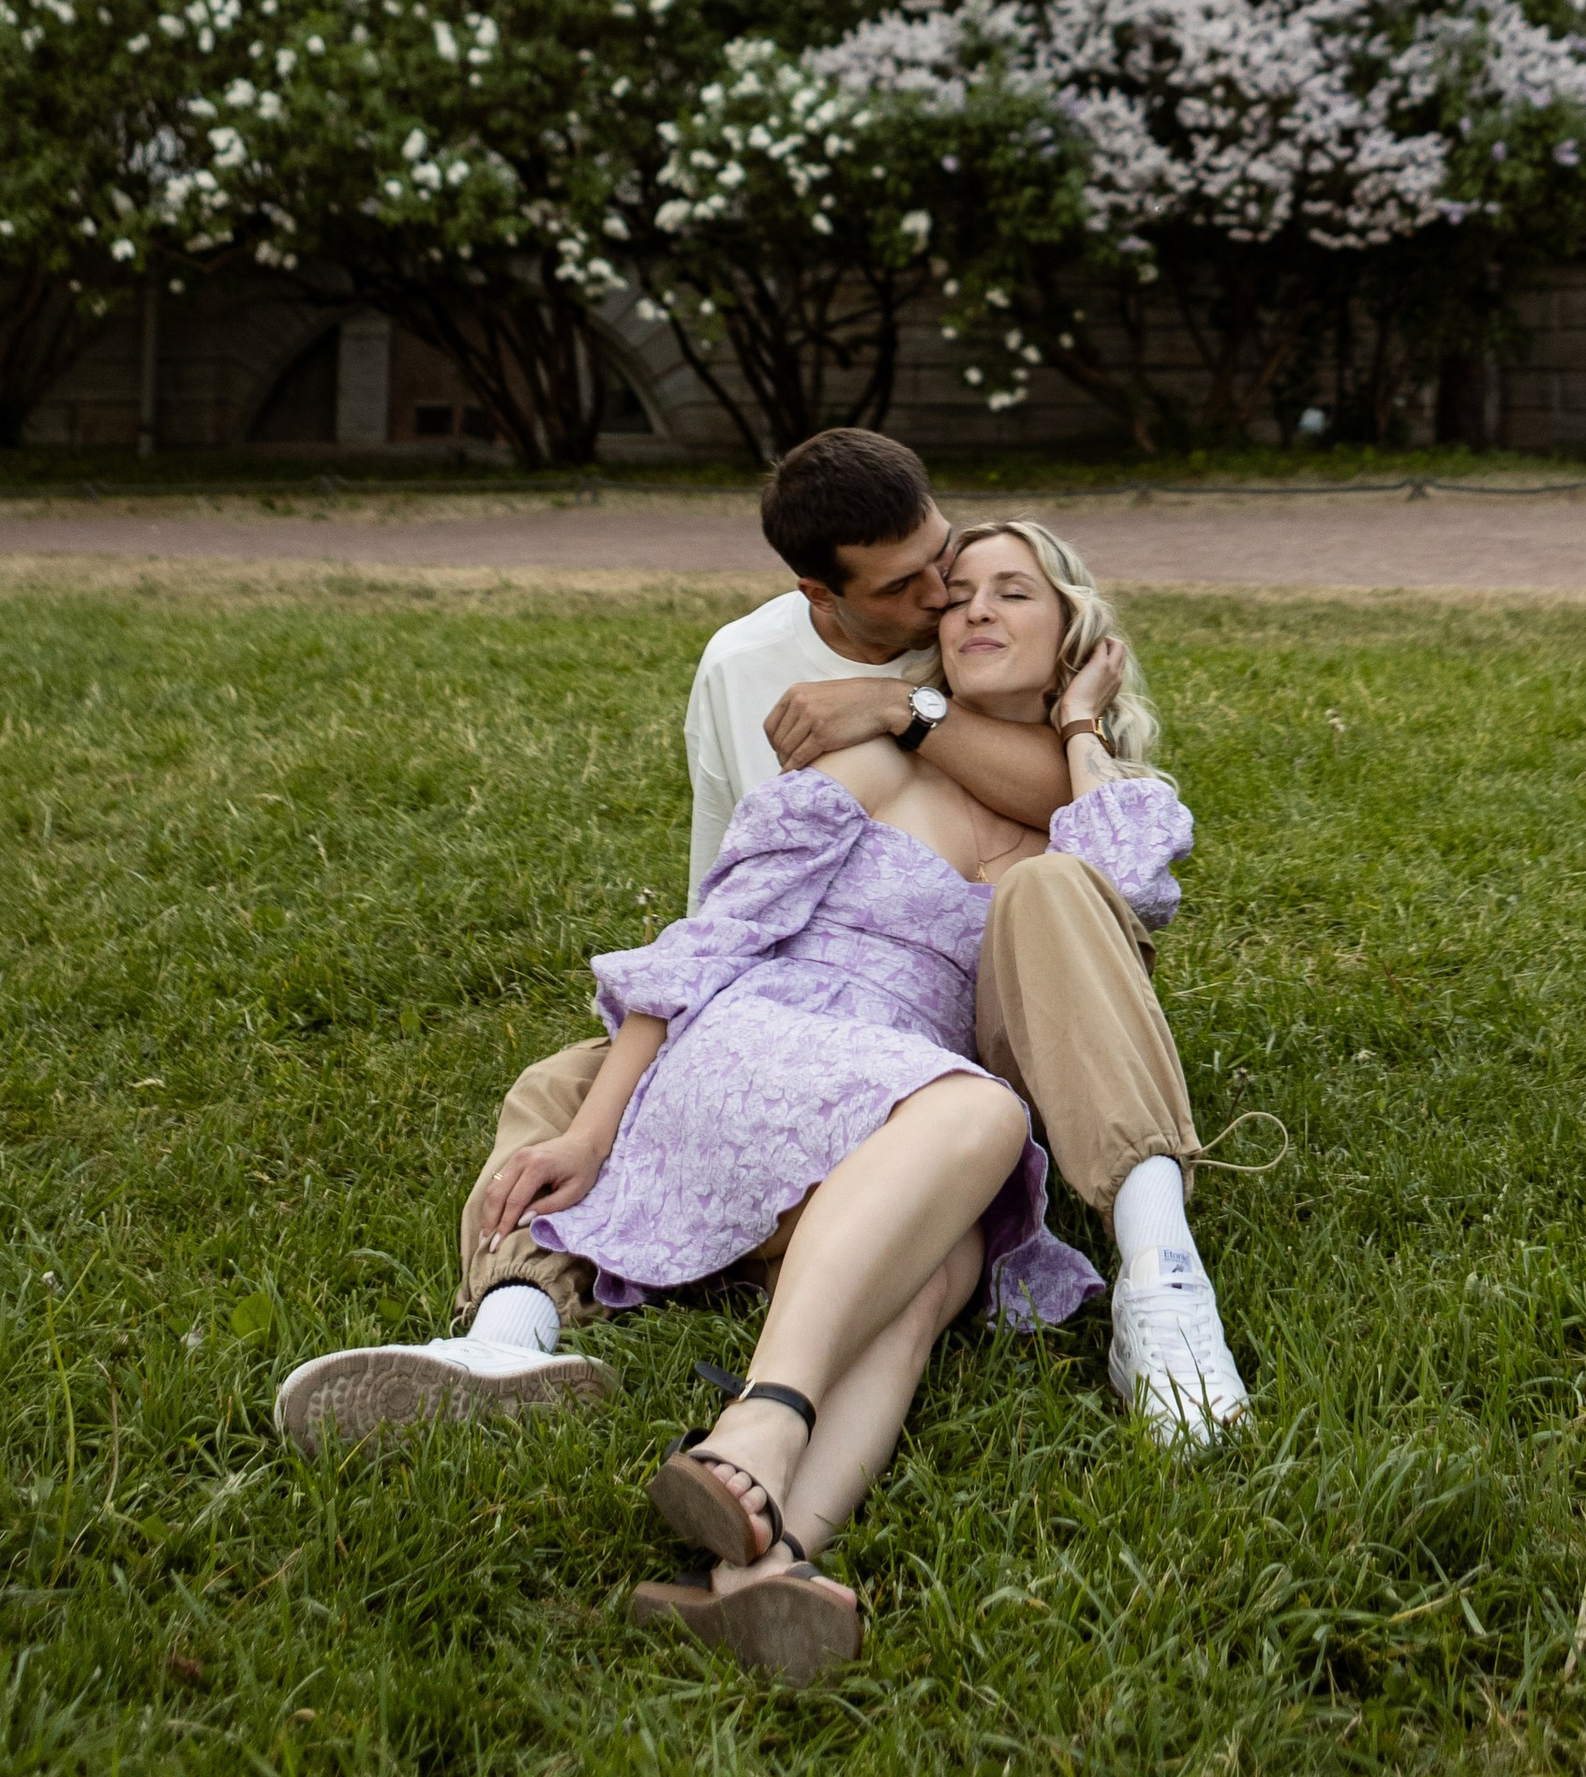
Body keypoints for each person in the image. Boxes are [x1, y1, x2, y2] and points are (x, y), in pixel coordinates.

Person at [275, 432, 1247, 1450]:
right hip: (798, 995)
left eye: (976, 578)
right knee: (567, 1087)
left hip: (986, 1035)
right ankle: (509, 1333)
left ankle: (1158, 1282)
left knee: (1047, 892)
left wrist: (964, 712)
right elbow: (728, 906)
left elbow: (1098, 845)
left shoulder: (979, 710)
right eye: (933, 590)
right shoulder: (752, 672)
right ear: (823, 595)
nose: (947, 605)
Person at [531, 524, 1200, 1680]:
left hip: (890, 1129)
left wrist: (1083, 725)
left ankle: (762, 1565)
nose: (976, 611)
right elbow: (718, 931)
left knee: (940, 1265)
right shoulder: (879, 762)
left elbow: (1129, 881)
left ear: (1075, 631)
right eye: (960, 598)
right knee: (983, 1124)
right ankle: (760, 1419)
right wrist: (596, 1126)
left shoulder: (1075, 815)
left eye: (1014, 594)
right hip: (772, 1048)